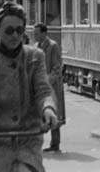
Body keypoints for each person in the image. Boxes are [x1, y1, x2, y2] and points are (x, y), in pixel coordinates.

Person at [0, 2, 58, 172]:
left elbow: (43, 91)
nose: (15, 35)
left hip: (26, 142)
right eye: (9, 30)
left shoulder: (35, 57)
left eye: (19, 30)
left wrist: (48, 109)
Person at [33, 24, 65, 153]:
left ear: (44, 33)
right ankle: (36, 144)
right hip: (39, 86)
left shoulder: (53, 46)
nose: (34, 35)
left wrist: (47, 80)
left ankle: (55, 144)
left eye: (37, 33)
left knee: (53, 113)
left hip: (52, 87)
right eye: (34, 33)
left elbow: (57, 67)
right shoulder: (35, 46)